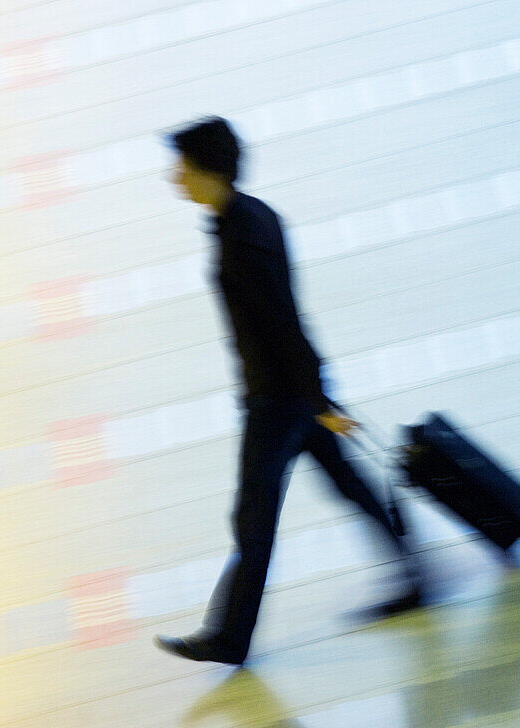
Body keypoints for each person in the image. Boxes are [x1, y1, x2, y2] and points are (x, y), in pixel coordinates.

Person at [154, 117, 423, 666]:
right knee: (353, 488)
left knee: (254, 521)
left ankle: (230, 637)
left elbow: (279, 322)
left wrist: (315, 402)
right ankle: (417, 572)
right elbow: (290, 319)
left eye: (180, 166)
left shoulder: (240, 240)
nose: (172, 177)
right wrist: (318, 395)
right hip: (298, 391)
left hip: (276, 402)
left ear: (206, 171)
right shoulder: (256, 216)